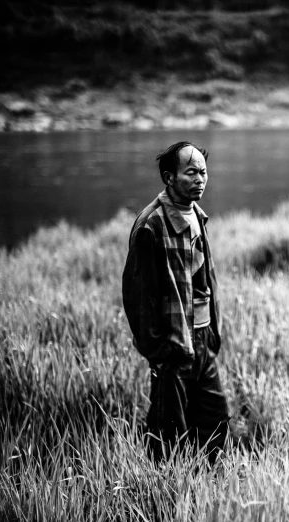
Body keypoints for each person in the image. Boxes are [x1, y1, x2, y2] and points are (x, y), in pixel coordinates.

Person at [122, 141, 229, 465]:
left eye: (204, 172)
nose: (200, 179)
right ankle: (165, 493)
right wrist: (159, 352)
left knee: (214, 418)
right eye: (191, 172)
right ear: (169, 177)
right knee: (169, 430)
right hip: (173, 343)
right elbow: (138, 297)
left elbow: (202, 282)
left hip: (202, 338)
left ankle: (208, 485)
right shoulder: (151, 225)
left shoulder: (196, 214)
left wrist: (211, 333)